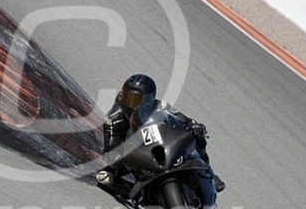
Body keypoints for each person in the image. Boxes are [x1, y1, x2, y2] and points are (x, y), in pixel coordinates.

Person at [96, 73, 226, 198]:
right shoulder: (113, 118)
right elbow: (110, 151)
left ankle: (209, 172)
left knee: (197, 135)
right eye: (128, 98)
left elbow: (182, 119)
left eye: (137, 100)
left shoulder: (160, 106)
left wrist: (194, 125)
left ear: (150, 98)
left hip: (162, 143)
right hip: (134, 155)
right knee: (103, 177)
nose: (132, 105)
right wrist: (118, 157)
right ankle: (133, 191)